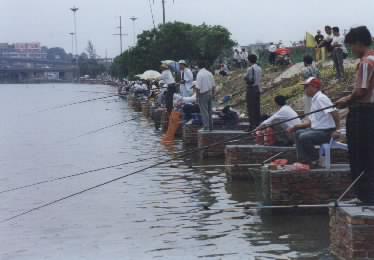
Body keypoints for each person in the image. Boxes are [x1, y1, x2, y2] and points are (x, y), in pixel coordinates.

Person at [336, 26, 374, 204]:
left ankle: (363, 197)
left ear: (359, 43)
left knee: (359, 155)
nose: (351, 50)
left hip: (363, 113)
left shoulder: (366, 62)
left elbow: (361, 91)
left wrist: (346, 100)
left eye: (352, 46)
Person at [289, 77, 340, 166]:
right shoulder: (315, 99)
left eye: (306, 87)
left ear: (313, 87)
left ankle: (315, 159)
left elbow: (334, 113)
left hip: (327, 132)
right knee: (298, 133)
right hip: (317, 130)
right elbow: (310, 122)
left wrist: (337, 130)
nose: (304, 89)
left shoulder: (321, 98)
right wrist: (296, 126)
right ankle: (303, 160)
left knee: (304, 137)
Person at [196, 61, 216, 131]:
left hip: (203, 94)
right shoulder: (209, 73)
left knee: (204, 111)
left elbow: (198, 87)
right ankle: (211, 127)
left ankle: (206, 127)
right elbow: (214, 85)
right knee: (209, 111)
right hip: (210, 93)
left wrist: (197, 97)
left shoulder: (199, 74)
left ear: (198, 67)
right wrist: (213, 94)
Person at [244, 54, 262, 130]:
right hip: (258, 88)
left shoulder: (250, 69)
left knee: (251, 108)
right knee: (257, 107)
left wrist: (245, 78)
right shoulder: (259, 68)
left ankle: (252, 126)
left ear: (249, 60)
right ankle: (258, 124)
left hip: (251, 89)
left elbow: (249, 79)